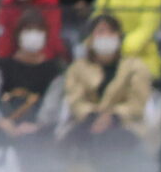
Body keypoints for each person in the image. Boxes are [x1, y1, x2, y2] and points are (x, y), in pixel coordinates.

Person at [62, 14, 155, 157]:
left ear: (119, 37)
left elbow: (137, 104)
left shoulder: (135, 67)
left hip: (125, 124)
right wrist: (94, 116)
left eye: (111, 32)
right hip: (86, 122)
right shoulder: (77, 68)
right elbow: (75, 101)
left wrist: (112, 116)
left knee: (112, 141)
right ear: (91, 38)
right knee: (75, 140)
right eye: (101, 32)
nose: (106, 36)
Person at [0, 17, 67, 139]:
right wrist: (0, 121)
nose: (33, 35)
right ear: (18, 35)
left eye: (39, 31)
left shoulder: (54, 70)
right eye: (28, 30)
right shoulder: (2, 67)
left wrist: (38, 125)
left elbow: (52, 105)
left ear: (46, 36)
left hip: (39, 136)